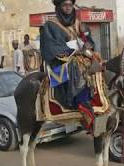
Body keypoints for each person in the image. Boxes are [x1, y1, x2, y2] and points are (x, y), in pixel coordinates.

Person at [40, 0, 99, 131]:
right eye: (65, 5)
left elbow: (89, 41)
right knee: (76, 65)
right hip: (60, 62)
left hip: (81, 55)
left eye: (70, 5)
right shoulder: (50, 25)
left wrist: (87, 46)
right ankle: (80, 101)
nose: (68, 8)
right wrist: (73, 51)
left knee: (98, 61)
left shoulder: (78, 23)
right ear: (59, 7)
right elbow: (50, 48)